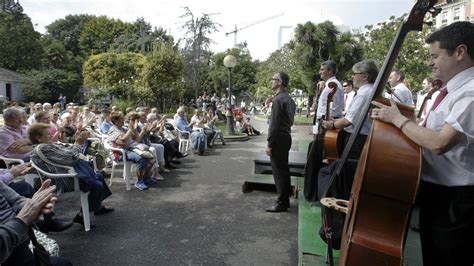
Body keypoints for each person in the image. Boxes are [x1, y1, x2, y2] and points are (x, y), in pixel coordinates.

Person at [371, 21, 474, 266]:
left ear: (460, 52)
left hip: (454, 199)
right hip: (438, 193)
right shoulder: (449, 91)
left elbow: (439, 143)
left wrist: (397, 120)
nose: (431, 62)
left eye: (435, 56)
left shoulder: (469, 93)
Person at [28, 123, 114, 226]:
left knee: (98, 176)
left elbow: (68, 153)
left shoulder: (46, 146)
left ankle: (96, 207)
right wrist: (78, 142)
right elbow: (70, 158)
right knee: (96, 184)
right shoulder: (43, 148)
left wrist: (76, 143)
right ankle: (82, 215)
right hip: (62, 180)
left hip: (65, 174)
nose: (51, 135)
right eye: (48, 134)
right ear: (38, 137)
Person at [0, 179, 72, 266]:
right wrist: (23, 219)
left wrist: (35, 206)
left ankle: (47, 221)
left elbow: (15, 200)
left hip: (21, 240)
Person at [322, 60, 379, 159]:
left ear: (365, 76)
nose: (352, 77)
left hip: (357, 139)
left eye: (355, 74)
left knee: (349, 168)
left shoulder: (364, 93)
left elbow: (349, 121)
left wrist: (331, 124)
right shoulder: (370, 90)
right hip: (362, 137)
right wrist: (335, 120)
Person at [265, 72, 296, 213]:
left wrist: (270, 143)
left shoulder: (278, 100)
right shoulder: (289, 99)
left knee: (279, 172)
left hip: (278, 139)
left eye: (274, 79)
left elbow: (274, 124)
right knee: (284, 170)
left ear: (280, 82)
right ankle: (285, 199)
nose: (272, 81)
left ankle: (282, 202)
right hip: (286, 137)